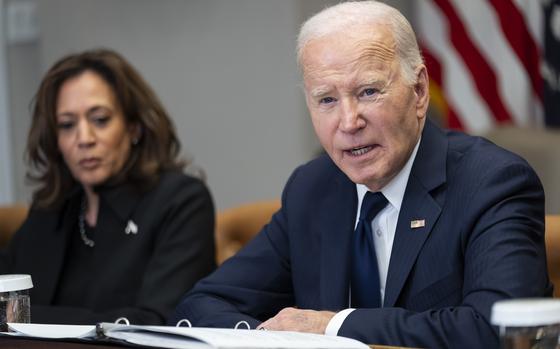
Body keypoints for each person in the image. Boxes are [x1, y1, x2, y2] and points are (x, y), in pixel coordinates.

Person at [172, 2, 552, 348]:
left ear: (419, 91)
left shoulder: (492, 182)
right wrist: (270, 339)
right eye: (327, 100)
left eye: (368, 92)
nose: (349, 122)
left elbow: (496, 332)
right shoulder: (312, 188)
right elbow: (203, 304)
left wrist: (334, 326)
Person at [0, 49, 215, 325]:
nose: (84, 138)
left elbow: (156, 321)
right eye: (67, 125)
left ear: (134, 127)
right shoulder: (52, 208)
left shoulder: (181, 200)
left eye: (100, 120)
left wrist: (22, 319)